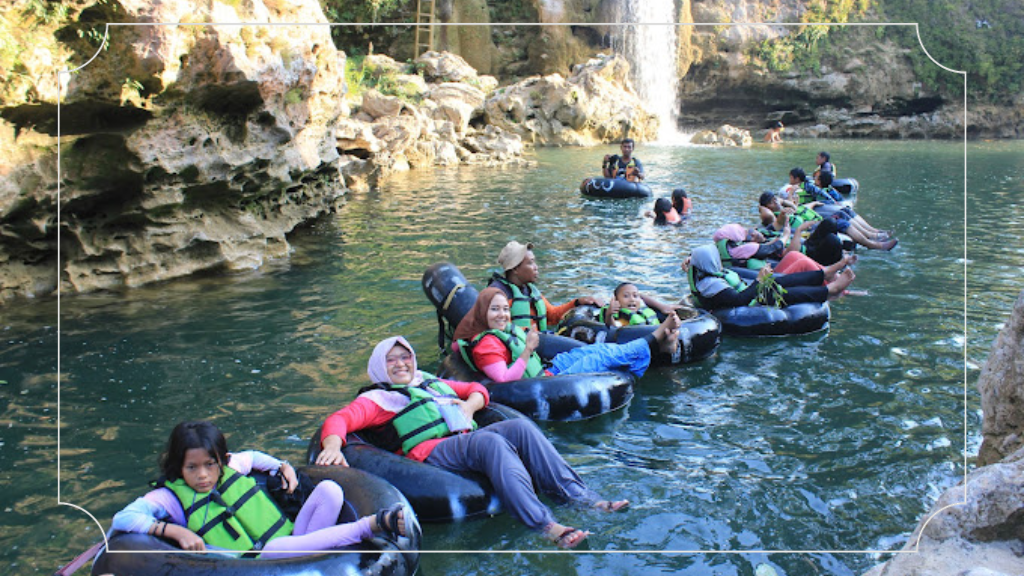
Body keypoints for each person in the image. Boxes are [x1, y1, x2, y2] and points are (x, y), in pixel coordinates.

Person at [315, 336, 629, 549]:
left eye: (405, 357)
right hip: (432, 452)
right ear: (379, 368)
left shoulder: (429, 382)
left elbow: (476, 390)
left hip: (464, 439)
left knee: (519, 427)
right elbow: (340, 420)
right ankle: (546, 526)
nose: (400, 364)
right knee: (491, 443)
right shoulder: (378, 398)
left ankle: (583, 498)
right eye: (391, 360)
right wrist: (331, 446)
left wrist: (468, 407)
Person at [111, 421, 408, 558]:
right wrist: (174, 531)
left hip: (289, 541)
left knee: (330, 489)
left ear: (221, 461)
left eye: (209, 465)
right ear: (179, 466)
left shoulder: (230, 467)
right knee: (276, 548)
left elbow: (253, 457)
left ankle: (320, 546)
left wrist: (283, 466)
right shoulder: (169, 497)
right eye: (192, 468)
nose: (202, 476)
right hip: (256, 564)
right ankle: (369, 526)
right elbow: (123, 518)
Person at [452, 288, 680, 383]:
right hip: (544, 384)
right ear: (482, 312)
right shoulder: (486, 345)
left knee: (597, 350)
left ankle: (656, 345)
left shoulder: (499, 332)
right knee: (596, 360)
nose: (502, 314)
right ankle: (656, 337)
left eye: (504, 309)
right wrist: (528, 350)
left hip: (548, 370)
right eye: (494, 309)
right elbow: (503, 378)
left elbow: (551, 315)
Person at [684, 245, 856, 311]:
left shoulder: (704, 272)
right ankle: (829, 290)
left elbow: (692, 265)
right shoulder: (710, 286)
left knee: (779, 281)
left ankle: (825, 273)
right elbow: (739, 300)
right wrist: (759, 281)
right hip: (751, 302)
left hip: (750, 293)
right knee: (781, 293)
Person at [487, 241, 603, 332]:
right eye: (530, 263)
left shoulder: (529, 290)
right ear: (515, 269)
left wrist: (577, 302)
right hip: (521, 347)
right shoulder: (498, 295)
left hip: (537, 341)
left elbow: (552, 316)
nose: (536, 267)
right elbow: (500, 328)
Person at [712, 222, 813, 269]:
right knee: (796, 259)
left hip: (749, 267)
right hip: (767, 270)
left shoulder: (729, 249)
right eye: (748, 236)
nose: (752, 235)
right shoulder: (745, 248)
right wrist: (788, 234)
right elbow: (771, 248)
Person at [596, 282, 660, 327]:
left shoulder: (643, 311)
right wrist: (609, 315)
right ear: (616, 300)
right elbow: (613, 328)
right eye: (626, 296)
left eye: (635, 296)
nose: (632, 299)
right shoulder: (621, 318)